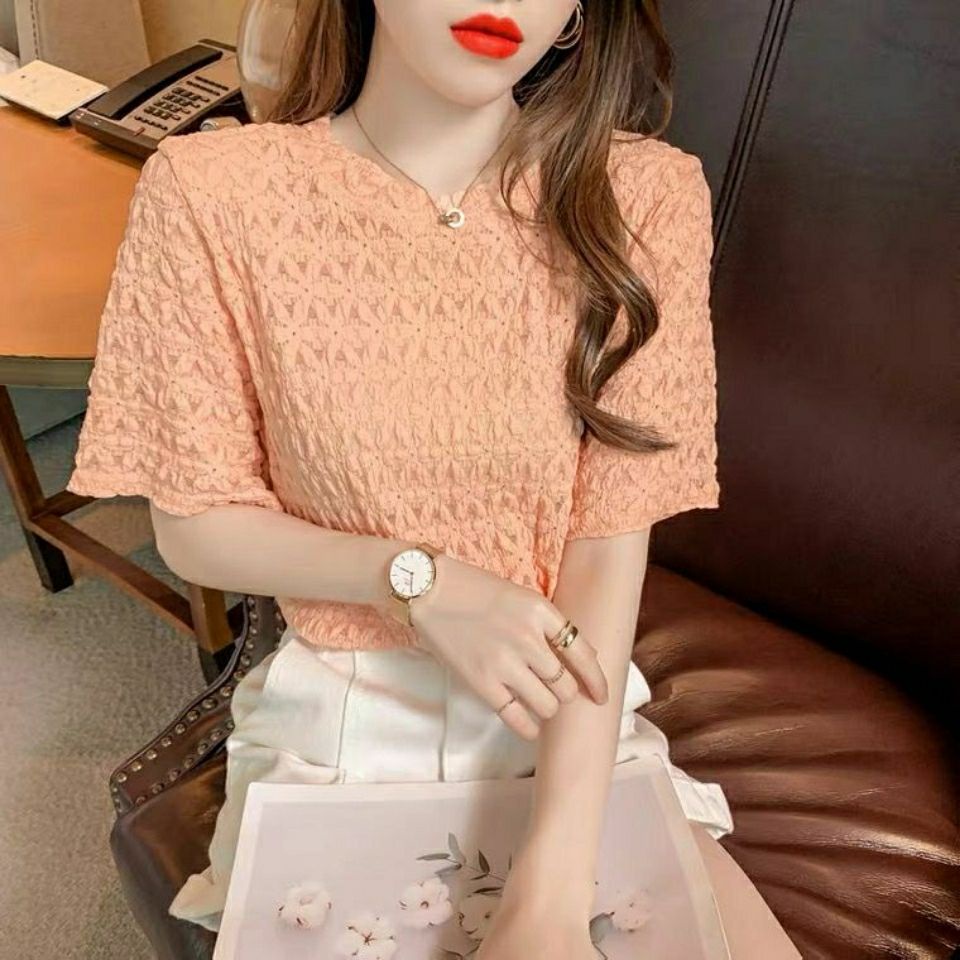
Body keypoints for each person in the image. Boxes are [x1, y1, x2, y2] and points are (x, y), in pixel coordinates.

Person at [67, 1, 801, 956]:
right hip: (344, 717)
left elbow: (608, 544)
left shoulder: (644, 195)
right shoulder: (213, 192)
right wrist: (422, 581)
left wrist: (552, 888)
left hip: (569, 712)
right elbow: (196, 525)